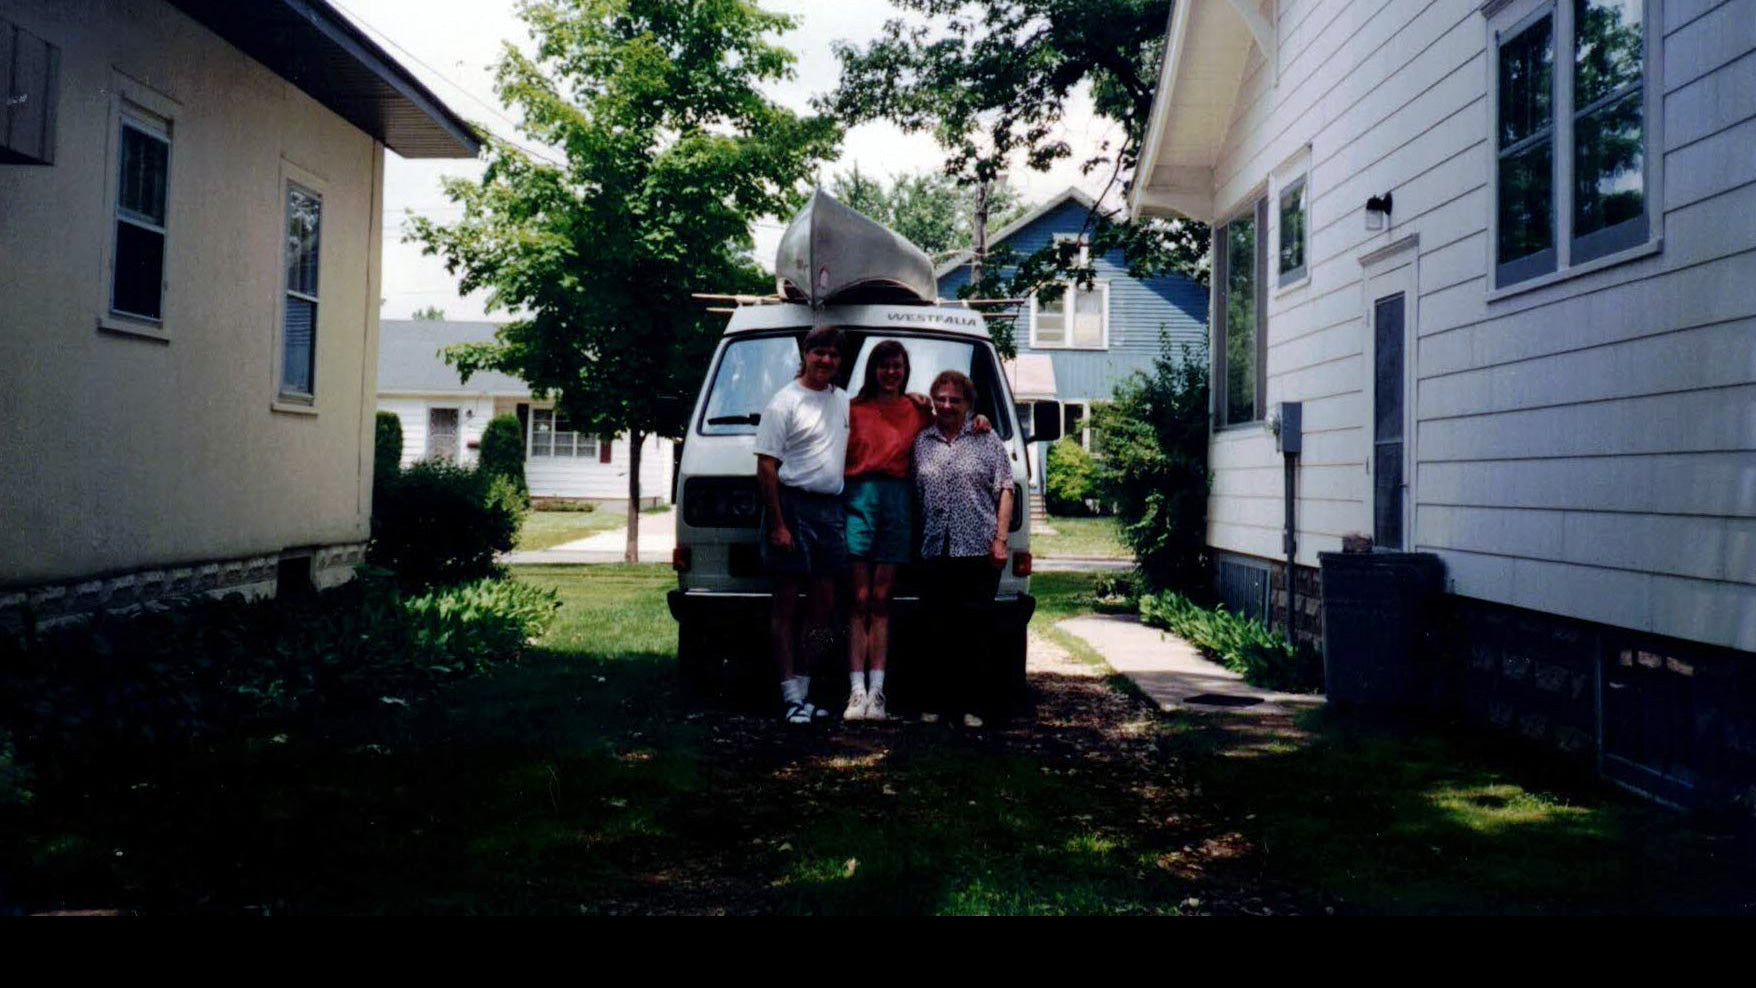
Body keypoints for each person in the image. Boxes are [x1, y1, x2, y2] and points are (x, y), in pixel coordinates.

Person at [753, 325, 850, 724]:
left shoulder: (842, 401)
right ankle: (789, 694)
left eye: (833, 354)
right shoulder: (784, 403)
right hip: (790, 509)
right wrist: (778, 524)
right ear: (805, 354)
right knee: (787, 607)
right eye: (818, 352)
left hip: (829, 512)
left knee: (824, 609)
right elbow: (765, 466)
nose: (825, 360)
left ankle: (807, 689)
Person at [912, 369, 1015, 728]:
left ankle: (973, 706)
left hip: (977, 550)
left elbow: (1006, 489)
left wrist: (1000, 541)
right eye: (941, 398)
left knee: (976, 631)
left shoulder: (988, 440)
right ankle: (935, 703)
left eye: (955, 399)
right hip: (934, 549)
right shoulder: (921, 441)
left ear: (969, 404)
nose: (947, 405)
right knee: (934, 631)